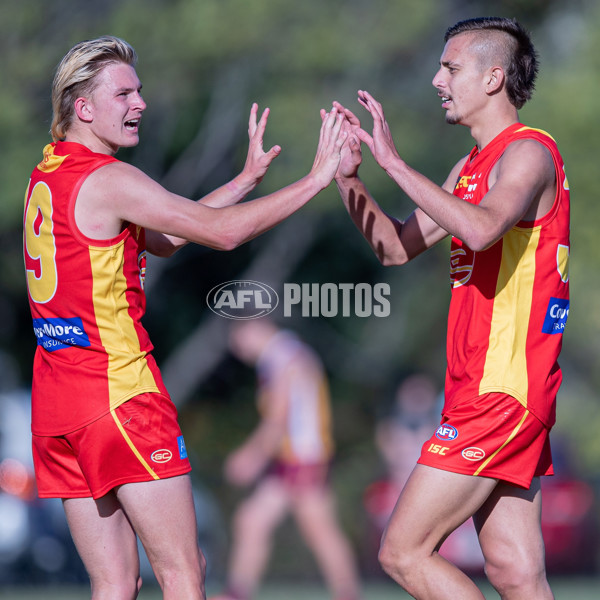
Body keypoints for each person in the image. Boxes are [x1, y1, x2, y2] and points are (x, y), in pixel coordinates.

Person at [22, 36, 346, 600]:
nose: (139, 103)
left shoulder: (47, 176)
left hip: (56, 406)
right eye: (124, 93)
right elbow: (219, 233)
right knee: (184, 573)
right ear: (84, 107)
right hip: (118, 393)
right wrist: (316, 180)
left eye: (139, 91)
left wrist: (244, 180)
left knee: (115, 583)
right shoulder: (110, 178)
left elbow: (168, 236)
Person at [332, 16, 569, 600]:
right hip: (479, 388)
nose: (437, 79)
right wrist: (350, 180)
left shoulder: (530, 153)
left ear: (493, 78)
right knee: (516, 572)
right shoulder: (467, 168)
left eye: (450, 67)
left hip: (503, 388)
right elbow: (393, 248)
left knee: (403, 551)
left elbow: (485, 230)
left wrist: (395, 164)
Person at [215, 319, 361, 600]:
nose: (236, 349)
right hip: (293, 456)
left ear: (252, 326)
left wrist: (251, 456)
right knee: (251, 520)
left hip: (303, 456)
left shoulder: (280, 356)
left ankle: (348, 594)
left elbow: (279, 415)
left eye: (237, 339)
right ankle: (237, 592)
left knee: (319, 530)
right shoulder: (287, 352)